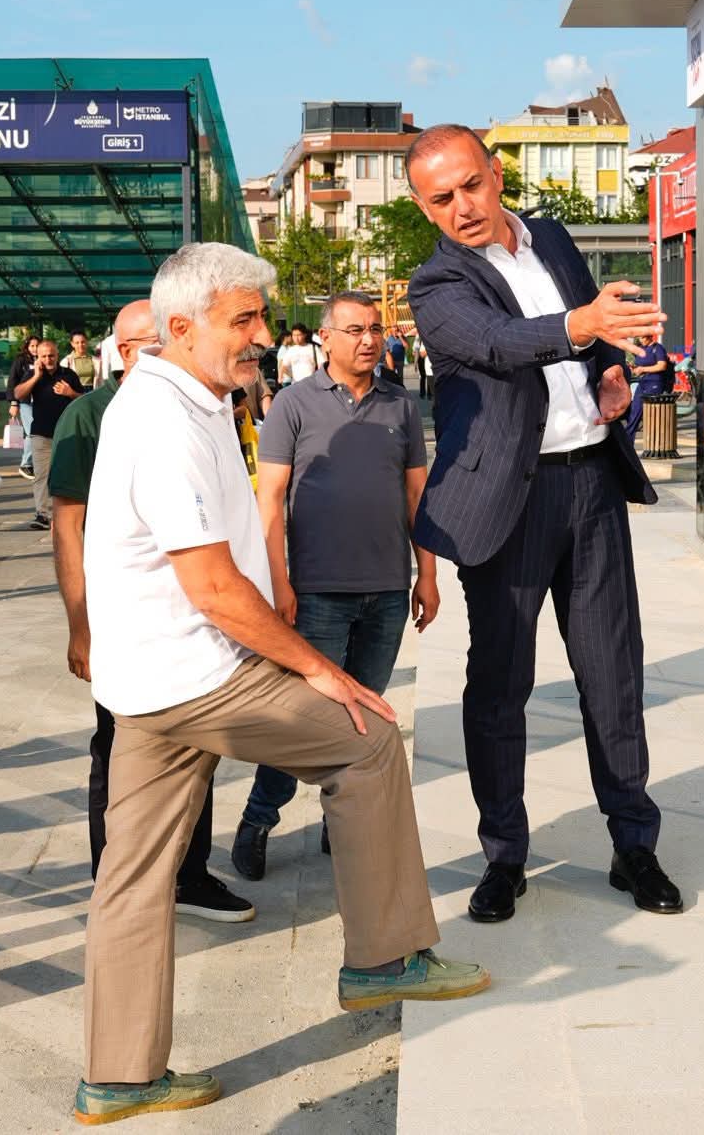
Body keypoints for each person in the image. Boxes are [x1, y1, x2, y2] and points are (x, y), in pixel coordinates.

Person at [75, 243, 485, 1124]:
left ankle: (118, 1075)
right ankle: (382, 958)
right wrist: (316, 666)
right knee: (369, 738)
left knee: (133, 876)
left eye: (261, 318)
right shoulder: (164, 422)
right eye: (243, 321)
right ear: (179, 327)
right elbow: (213, 589)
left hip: (150, 681)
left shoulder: (189, 398)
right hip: (197, 673)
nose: (263, 336)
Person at [404, 124, 682, 923]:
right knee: (499, 685)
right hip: (507, 504)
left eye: (470, 186)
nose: (461, 207)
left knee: (612, 671)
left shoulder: (554, 239)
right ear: (426, 210)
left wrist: (614, 374)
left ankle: (635, 844)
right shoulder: (436, 288)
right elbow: (498, 343)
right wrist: (585, 329)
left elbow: (594, 346)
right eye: (440, 199)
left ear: (495, 174)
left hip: (590, 482)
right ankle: (504, 857)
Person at [48, 299, 254, 923]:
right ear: (119, 352)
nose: (150, 354)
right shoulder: (90, 415)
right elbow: (67, 522)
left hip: (197, 618)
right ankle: (119, 882)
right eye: (137, 345)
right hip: (127, 621)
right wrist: (80, 623)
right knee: (119, 750)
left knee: (200, 745)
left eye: (158, 341)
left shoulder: (200, 403)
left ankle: (190, 876)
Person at [232, 291, 438, 879]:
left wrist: (427, 573)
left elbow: (417, 495)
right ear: (325, 337)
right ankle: (258, 817)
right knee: (304, 721)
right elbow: (269, 501)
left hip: (388, 592)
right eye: (354, 329)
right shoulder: (293, 406)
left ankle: (337, 825)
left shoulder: (400, 405)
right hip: (316, 591)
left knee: (365, 718)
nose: (368, 339)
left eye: (375, 329)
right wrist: (280, 583)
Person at [14, 337, 84, 529]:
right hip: (41, 434)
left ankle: (69, 514)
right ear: (38, 357)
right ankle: (42, 514)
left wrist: (70, 393)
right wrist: (36, 376)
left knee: (68, 475)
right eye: (44, 356)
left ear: (57, 355)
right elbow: (18, 394)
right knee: (41, 476)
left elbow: (83, 400)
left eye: (51, 355)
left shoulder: (69, 375)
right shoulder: (31, 374)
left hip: (66, 434)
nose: (48, 359)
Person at [624, 331, 671, 439]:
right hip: (642, 382)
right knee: (634, 412)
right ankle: (628, 442)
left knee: (652, 413)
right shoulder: (642, 349)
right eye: (639, 338)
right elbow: (640, 365)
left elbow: (662, 366)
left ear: (650, 336)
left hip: (654, 383)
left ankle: (657, 440)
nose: (641, 340)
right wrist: (634, 368)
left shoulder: (658, 348)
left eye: (643, 337)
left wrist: (643, 369)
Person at [10, 334, 40, 480]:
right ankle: (25, 464)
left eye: (36, 345)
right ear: (27, 347)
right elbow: (12, 381)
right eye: (32, 346)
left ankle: (33, 463)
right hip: (25, 402)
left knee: (38, 433)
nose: (34, 349)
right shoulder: (20, 361)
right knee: (31, 433)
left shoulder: (43, 359)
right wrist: (13, 402)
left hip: (40, 402)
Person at [276, 323, 321, 388]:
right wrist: (280, 377)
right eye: (294, 335)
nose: (296, 338)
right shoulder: (291, 350)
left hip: (311, 385)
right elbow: (283, 365)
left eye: (299, 335)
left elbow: (321, 365)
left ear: (304, 335)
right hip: (296, 385)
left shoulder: (313, 348)